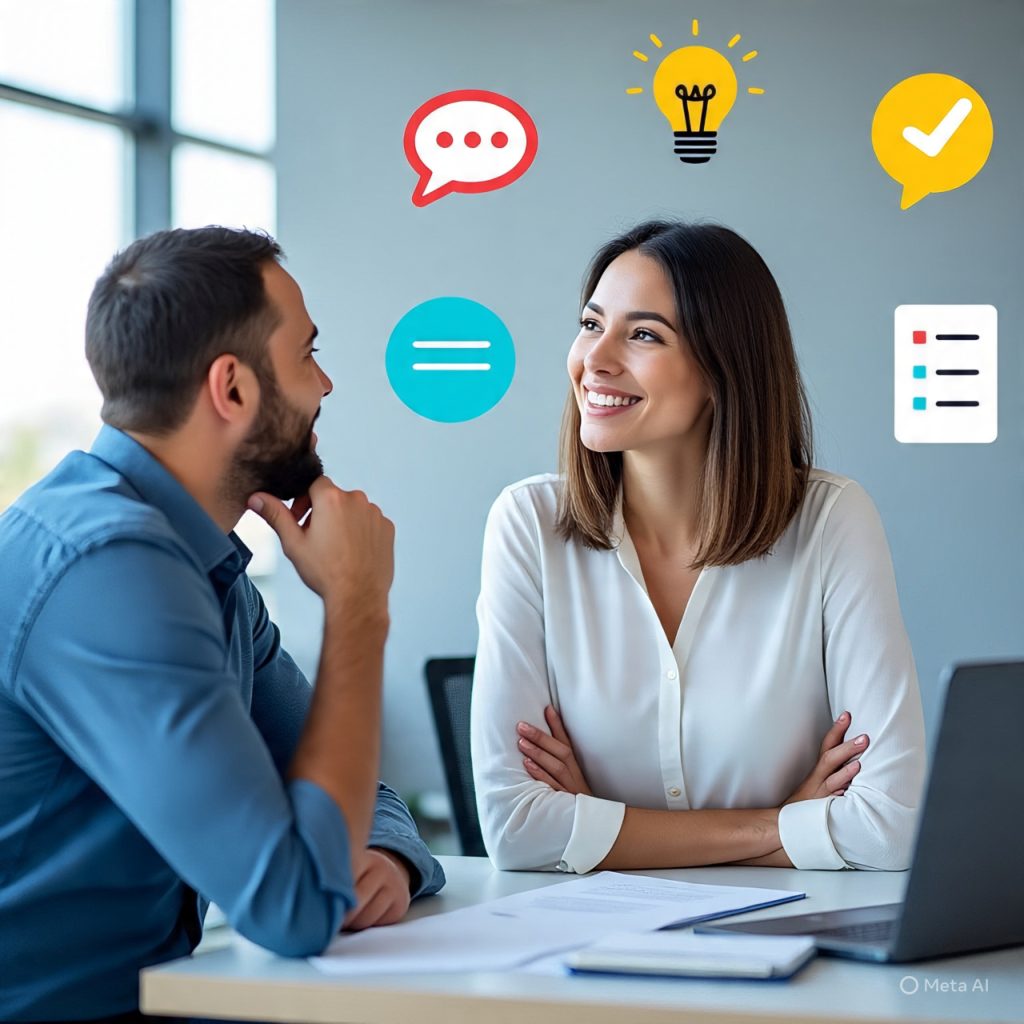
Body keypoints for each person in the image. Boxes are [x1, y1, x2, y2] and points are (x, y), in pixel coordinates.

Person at [0, 227, 444, 1022]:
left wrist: (386, 857)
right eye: (308, 355)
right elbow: (295, 908)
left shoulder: (202, 567)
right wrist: (358, 606)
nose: (327, 385)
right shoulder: (110, 569)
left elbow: (355, 788)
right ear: (232, 389)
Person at [471, 220, 926, 875]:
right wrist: (785, 822)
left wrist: (601, 826)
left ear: (724, 367)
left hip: (797, 948)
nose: (595, 361)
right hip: (587, 954)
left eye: (644, 335)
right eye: (592, 324)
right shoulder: (528, 524)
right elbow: (518, 830)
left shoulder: (832, 522)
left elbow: (888, 827)